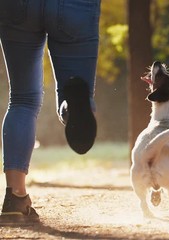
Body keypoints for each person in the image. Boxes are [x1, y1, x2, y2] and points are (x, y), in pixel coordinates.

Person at [0, 0, 100, 223]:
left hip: (18, 7)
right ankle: (72, 107)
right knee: (74, 89)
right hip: (75, 7)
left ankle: (15, 198)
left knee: (22, 99)